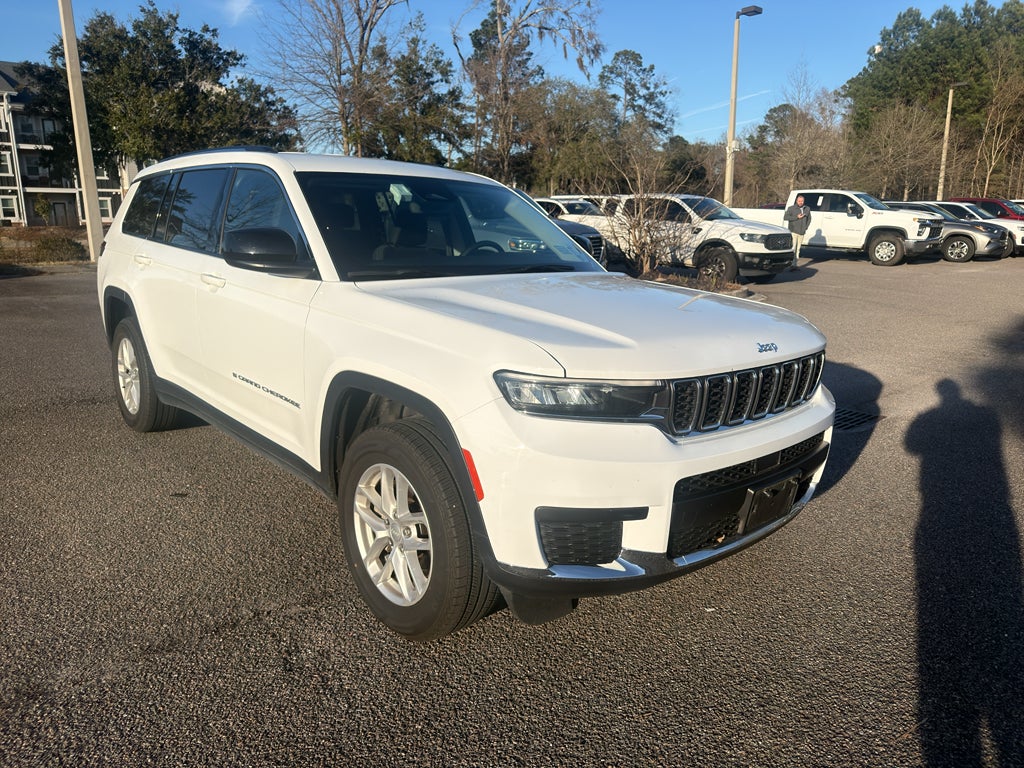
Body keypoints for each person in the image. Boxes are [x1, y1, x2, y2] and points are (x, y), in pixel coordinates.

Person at [783, 195, 811, 269]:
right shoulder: (791, 208)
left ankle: (795, 265)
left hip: (802, 232)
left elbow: (809, 219)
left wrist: (806, 227)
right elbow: (786, 217)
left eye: (802, 201)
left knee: (798, 249)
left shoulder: (807, 209)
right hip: (793, 231)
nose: (800, 202)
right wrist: (796, 217)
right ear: (796, 201)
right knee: (793, 248)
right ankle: (792, 264)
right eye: (799, 201)